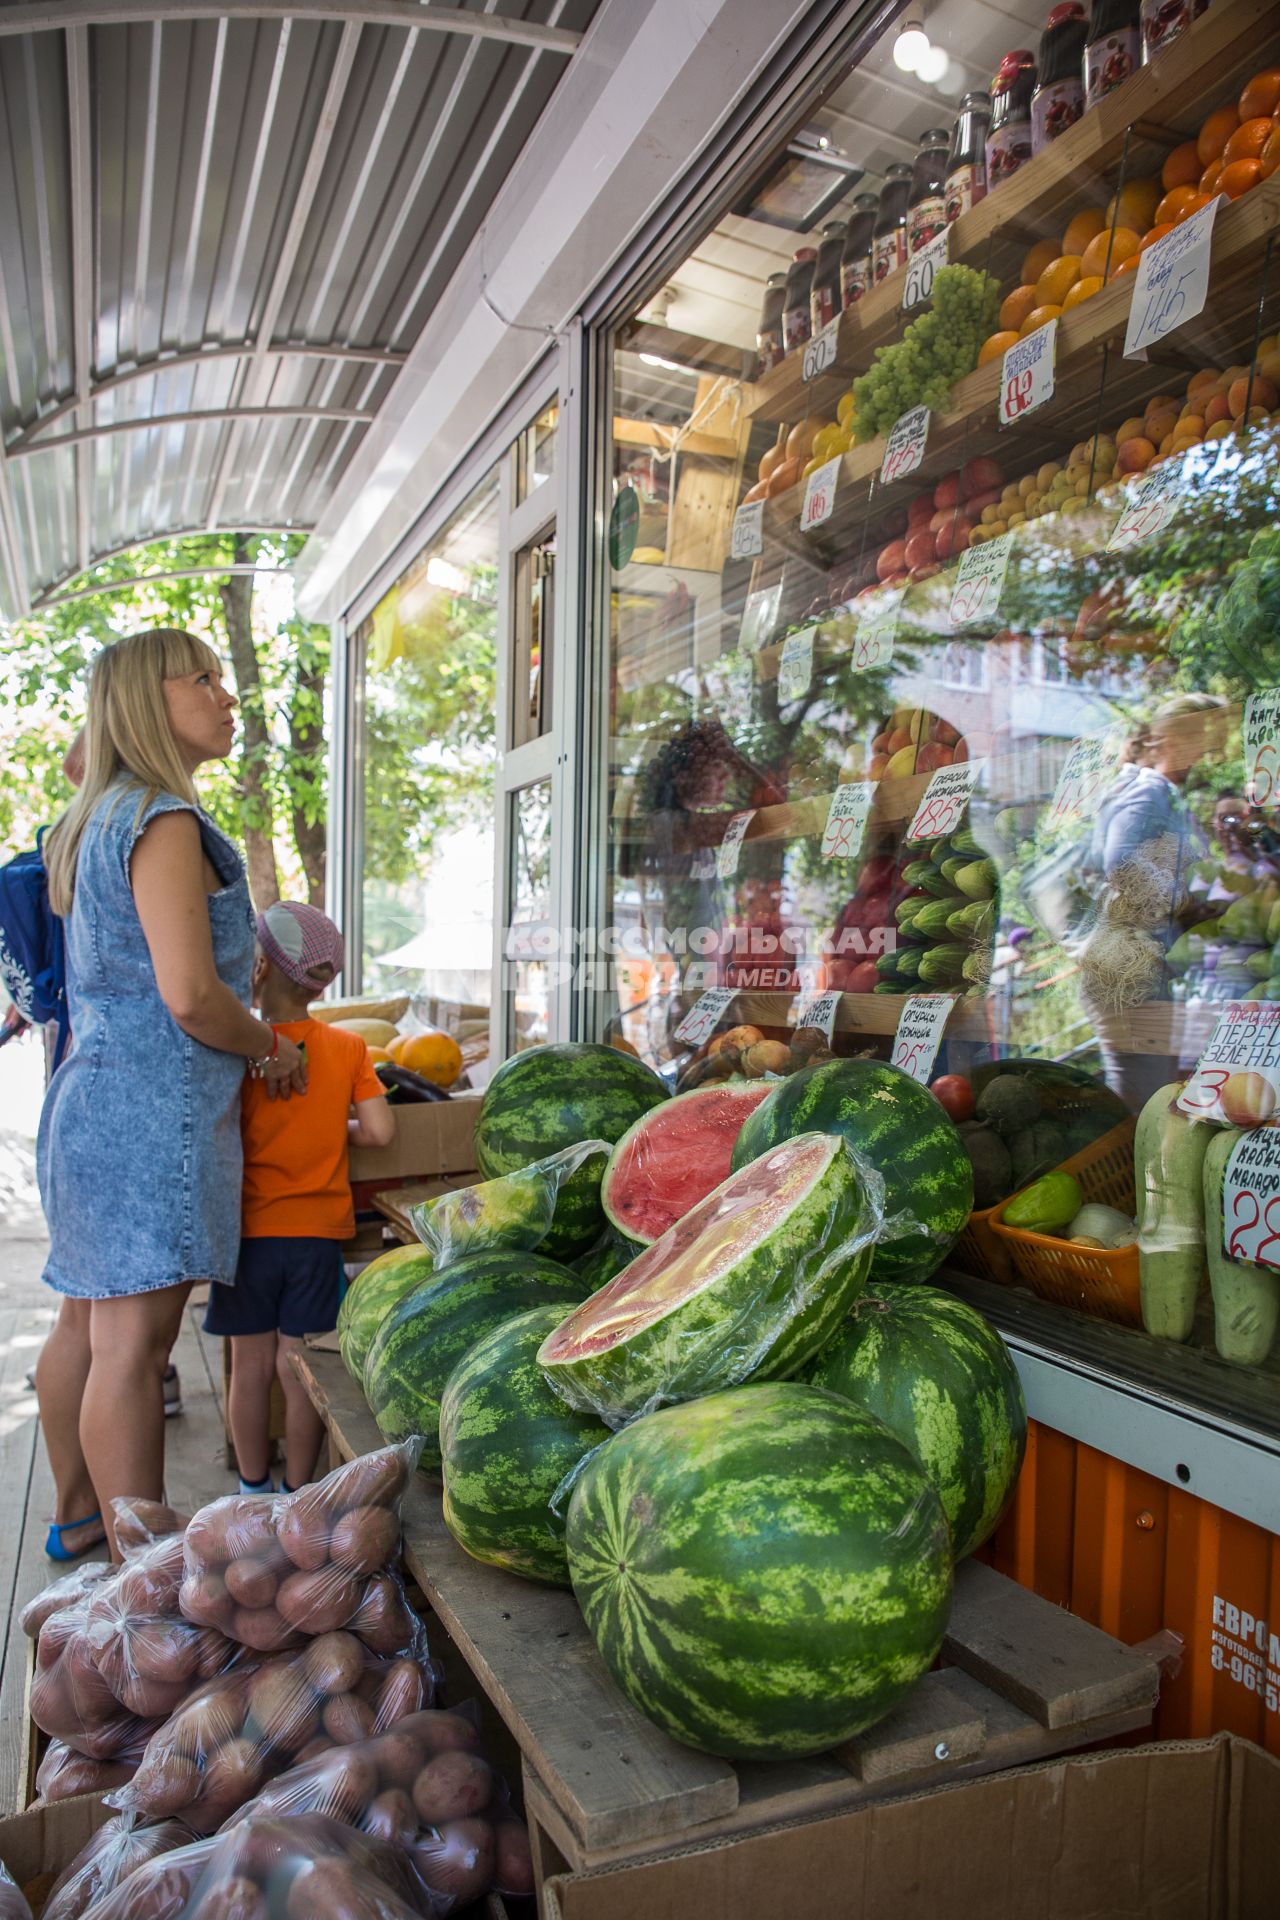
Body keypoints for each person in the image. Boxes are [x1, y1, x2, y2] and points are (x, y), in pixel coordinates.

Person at [35, 628, 307, 1562]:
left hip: (91, 1100)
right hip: (152, 1114)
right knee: (134, 1351)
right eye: (205, 680)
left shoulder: (93, 813)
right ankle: (140, 1573)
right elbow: (190, 996)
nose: (226, 697)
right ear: (152, 702)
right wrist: (270, 1044)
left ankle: (79, 1520)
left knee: (89, 1322)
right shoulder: (162, 820)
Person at [209, 901, 394, 1494]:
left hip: (246, 1237)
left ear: (258, 966)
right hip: (317, 1236)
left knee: (250, 1368)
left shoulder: (235, 1049)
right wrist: (333, 1126)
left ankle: (251, 1487)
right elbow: (381, 1132)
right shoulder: (346, 1049)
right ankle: (298, 1492)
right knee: (300, 1368)